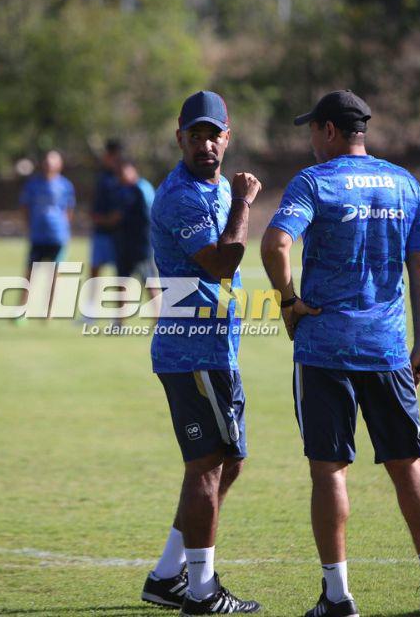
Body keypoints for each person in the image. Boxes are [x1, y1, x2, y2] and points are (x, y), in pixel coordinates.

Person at [260, 90, 420, 617]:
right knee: (408, 467)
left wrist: (289, 300)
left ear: (327, 131)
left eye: (311, 130)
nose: (309, 141)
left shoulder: (314, 182)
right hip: (388, 350)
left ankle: (338, 596)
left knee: (330, 472)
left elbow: (275, 244)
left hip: (324, 351)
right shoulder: (404, 183)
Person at [140, 91, 263, 615]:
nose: (206, 144)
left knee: (224, 462)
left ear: (226, 138)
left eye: (215, 135)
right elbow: (221, 265)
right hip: (193, 350)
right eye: (197, 135)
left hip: (214, 347)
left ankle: (169, 575)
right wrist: (243, 204)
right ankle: (201, 590)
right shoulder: (182, 196)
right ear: (180, 138)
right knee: (210, 464)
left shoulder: (209, 187)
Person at [20, 150, 76, 267]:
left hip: (57, 236)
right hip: (38, 236)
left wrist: (65, 230)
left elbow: (69, 210)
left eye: (52, 162)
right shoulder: (33, 184)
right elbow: (25, 207)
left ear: (59, 164)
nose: (48, 165)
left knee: (55, 274)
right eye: (46, 162)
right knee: (30, 273)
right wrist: (29, 226)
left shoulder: (65, 185)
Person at [114, 161, 156, 284]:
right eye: (120, 174)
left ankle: (158, 304)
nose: (122, 176)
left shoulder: (142, 187)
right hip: (125, 244)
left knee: (149, 282)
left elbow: (151, 215)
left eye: (124, 172)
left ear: (133, 171)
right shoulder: (122, 190)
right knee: (122, 282)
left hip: (142, 244)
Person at [90, 139, 125, 277]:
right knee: (95, 269)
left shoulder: (123, 178)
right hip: (102, 232)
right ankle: (91, 299)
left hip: (120, 234)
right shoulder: (102, 177)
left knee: (123, 274)